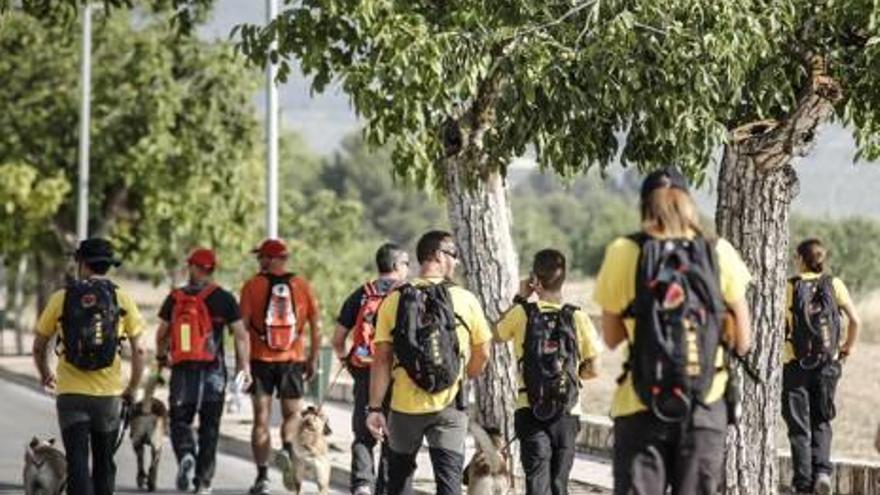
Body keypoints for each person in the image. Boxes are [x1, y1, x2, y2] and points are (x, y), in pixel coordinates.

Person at [593, 167, 753, 495]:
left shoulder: (625, 251)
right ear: (689, 203)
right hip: (705, 407)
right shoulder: (717, 251)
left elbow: (610, 337)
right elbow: (744, 341)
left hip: (640, 403)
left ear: (644, 206)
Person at [365, 230, 492, 495]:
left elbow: (382, 360)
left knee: (398, 483)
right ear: (437, 255)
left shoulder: (394, 300)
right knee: (449, 484)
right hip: (449, 406)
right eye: (453, 255)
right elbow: (484, 354)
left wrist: (375, 408)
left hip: (403, 408)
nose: (456, 262)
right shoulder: (466, 300)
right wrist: (461, 376)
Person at [32, 238, 147, 495]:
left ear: (81, 263)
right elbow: (140, 350)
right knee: (104, 463)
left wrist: (45, 373)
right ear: (108, 266)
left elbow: (39, 346)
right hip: (108, 397)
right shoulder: (122, 299)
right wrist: (132, 387)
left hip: (71, 394)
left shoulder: (61, 298)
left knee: (77, 463)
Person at [494, 249, 601, 495]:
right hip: (567, 411)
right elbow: (594, 369)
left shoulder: (522, 314)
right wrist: (572, 375)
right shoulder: (578, 317)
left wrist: (521, 297)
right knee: (559, 484)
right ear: (563, 280)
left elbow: (495, 334)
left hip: (529, 407)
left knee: (537, 483)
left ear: (536, 282)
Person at [155, 248, 252, 494]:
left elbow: (162, 334)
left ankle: (186, 452)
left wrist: (161, 356)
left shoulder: (175, 297)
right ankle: (203, 483)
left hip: (182, 372)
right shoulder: (224, 298)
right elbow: (241, 336)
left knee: (179, 421)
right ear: (212, 269)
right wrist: (245, 367)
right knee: (210, 428)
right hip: (214, 374)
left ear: (193, 267)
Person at [240, 238, 322, 495]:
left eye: (261, 256)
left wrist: (243, 365)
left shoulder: (251, 286)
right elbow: (316, 326)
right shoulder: (302, 285)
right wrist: (313, 358)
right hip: (292, 359)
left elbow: (241, 329)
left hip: (260, 361)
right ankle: (287, 449)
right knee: (292, 416)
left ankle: (262, 477)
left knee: (261, 420)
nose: (259, 261)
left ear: (271, 258)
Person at [782, 238, 861, 495]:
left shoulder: (790, 287)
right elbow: (855, 320)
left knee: (798, 426)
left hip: (795, 365)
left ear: (801, 259)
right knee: (822, 420)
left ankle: (803, 484)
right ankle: (823, 473)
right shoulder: (834, 284)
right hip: (828, 364)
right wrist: (848, 347)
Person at [332, 242, 409, 495]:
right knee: (391, 434)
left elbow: (338, 339)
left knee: (363, 432)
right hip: (398, 374)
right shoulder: (407, 293)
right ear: (397, 266)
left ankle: (362, 484)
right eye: (406, 263)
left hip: (366, 371)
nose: (408, 268)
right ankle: (385, 488)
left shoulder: (361, 294)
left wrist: (349, 364)